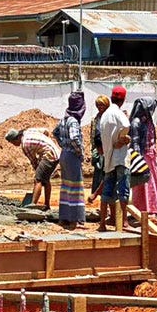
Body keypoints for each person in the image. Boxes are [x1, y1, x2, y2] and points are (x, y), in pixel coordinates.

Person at [96, 86, 132, 231]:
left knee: (107, 190)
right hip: (120, 156)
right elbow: (126, 125)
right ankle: (124, 221)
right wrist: (122, 138)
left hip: (108, 157)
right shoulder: (117, 112)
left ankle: (102, 224)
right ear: (123, 100)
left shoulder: (104, 115)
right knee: (123, 189)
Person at [5, 127, 61, 211]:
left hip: (49, 154)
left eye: (12, 142)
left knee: (38, 179)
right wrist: (43, 144)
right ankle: (47, 206)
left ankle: (32, 205)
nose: (13, 145)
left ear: (15, 139)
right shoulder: (29, 131)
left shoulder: (25, 145)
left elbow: (34, 161)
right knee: (45, 179)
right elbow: (46, 131)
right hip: (55, 151)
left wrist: (37, 170)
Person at [53, 91, 87, 229]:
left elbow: (55, 132)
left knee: (66, 186)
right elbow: (74, 138)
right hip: (72, 156)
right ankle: (74, 219)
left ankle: (64, 217)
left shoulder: (63, 119)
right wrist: (80, 153)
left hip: (64, 155)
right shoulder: (73, 121)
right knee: (75, 187)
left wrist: (62, 145)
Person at [129, 97, 157, 220]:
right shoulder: (136, 122)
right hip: (143, 156)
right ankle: (143, 210)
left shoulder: (147, 121)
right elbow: (135, 142)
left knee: (151, 183)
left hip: (150, 155)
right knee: (144, 183)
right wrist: (138, 158)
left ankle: (151, 208)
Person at [87, 95, 110, 204]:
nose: (100, 107)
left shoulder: (110, 118)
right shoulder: (95, 120)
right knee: (98, 174)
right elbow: (92, 136)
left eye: (102, 105)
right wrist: (93, 150)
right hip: (98, 150)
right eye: (98, 105)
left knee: (108, 175)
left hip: (108, 149)